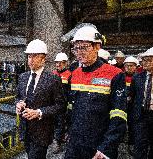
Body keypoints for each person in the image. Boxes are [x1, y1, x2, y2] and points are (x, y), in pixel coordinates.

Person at [65, 25, 127, 159]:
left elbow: (119, 115)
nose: (79, 52)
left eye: (84, 47)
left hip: (99, 146)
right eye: (76, 48)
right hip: (75, 144)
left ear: (97, 46)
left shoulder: (115, 75)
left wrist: (106, 148)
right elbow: (71, 109)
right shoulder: (74, 75)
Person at [15, 39, 66, 159]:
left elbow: (61, 106)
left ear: (44, 59)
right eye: (29, 56)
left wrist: (39, 112)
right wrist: (18, 104)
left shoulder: (53, 79)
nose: (30, 60)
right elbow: (17, 97)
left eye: (34, 56)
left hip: (42, 131)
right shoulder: (23, 77)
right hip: (25, 130)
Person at [129, 47, 153, 159]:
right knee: (140, 145)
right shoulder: (137, 77)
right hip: (141, 115)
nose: (145, 63)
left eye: (149, 60)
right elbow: (132, 96)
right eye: (144, 60)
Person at [52, 52, 72, 153]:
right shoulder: (53, 74)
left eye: (60, 63)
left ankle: (57, 142)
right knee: (54, 123)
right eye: (56, 63)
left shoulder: (69, 75)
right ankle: (57, 138)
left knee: (60, 123)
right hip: (53, 104)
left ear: (65, 63)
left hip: (64, 105)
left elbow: (71, 92)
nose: (58, 65)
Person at [123, 56, 139, 152]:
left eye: (131, 66)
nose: (129, 67)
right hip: (122, 104)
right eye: (127, 66)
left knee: (132, 123)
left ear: (135, 67)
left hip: (133, 105)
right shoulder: (121, 76)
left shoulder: (138, 77)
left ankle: (132, 140)